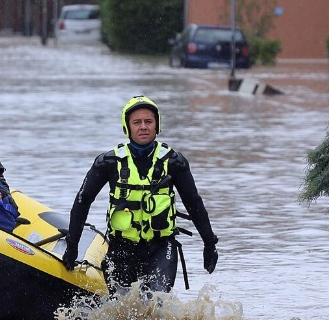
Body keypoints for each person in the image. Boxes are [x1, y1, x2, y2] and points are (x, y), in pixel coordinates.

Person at [61, 95, 219, 295]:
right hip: (122, 248)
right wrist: (72, 246)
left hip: (161, 247)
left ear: (156, 125)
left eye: (148, 121)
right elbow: (82, 202)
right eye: (137, 122)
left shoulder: (174, 162)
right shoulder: (108, 162)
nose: (143, 127)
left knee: (157, 300)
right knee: (122, 304)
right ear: (127, 127)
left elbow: (194, 203)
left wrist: (209, 244)